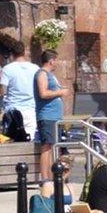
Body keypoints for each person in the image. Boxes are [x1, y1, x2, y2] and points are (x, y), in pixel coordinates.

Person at [33, 50, 68, 180]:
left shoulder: (50, 75)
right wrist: (60, 92)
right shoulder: (42, 74)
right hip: (47, 116)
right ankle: (45, 178)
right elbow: (43, 93)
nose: (57, 63)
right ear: (51, 60)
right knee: (46, 147)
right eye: (56, 60)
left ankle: (53, 176)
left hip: (54, 117)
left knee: (53, 147)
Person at [0, 40, 39, 141]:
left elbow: (3, 90)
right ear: (24, 52)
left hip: (13, 110)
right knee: (30, 139)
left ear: (12, 54)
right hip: (31, 109)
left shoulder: (7, 69)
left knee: (11, 140)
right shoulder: (35, 68)